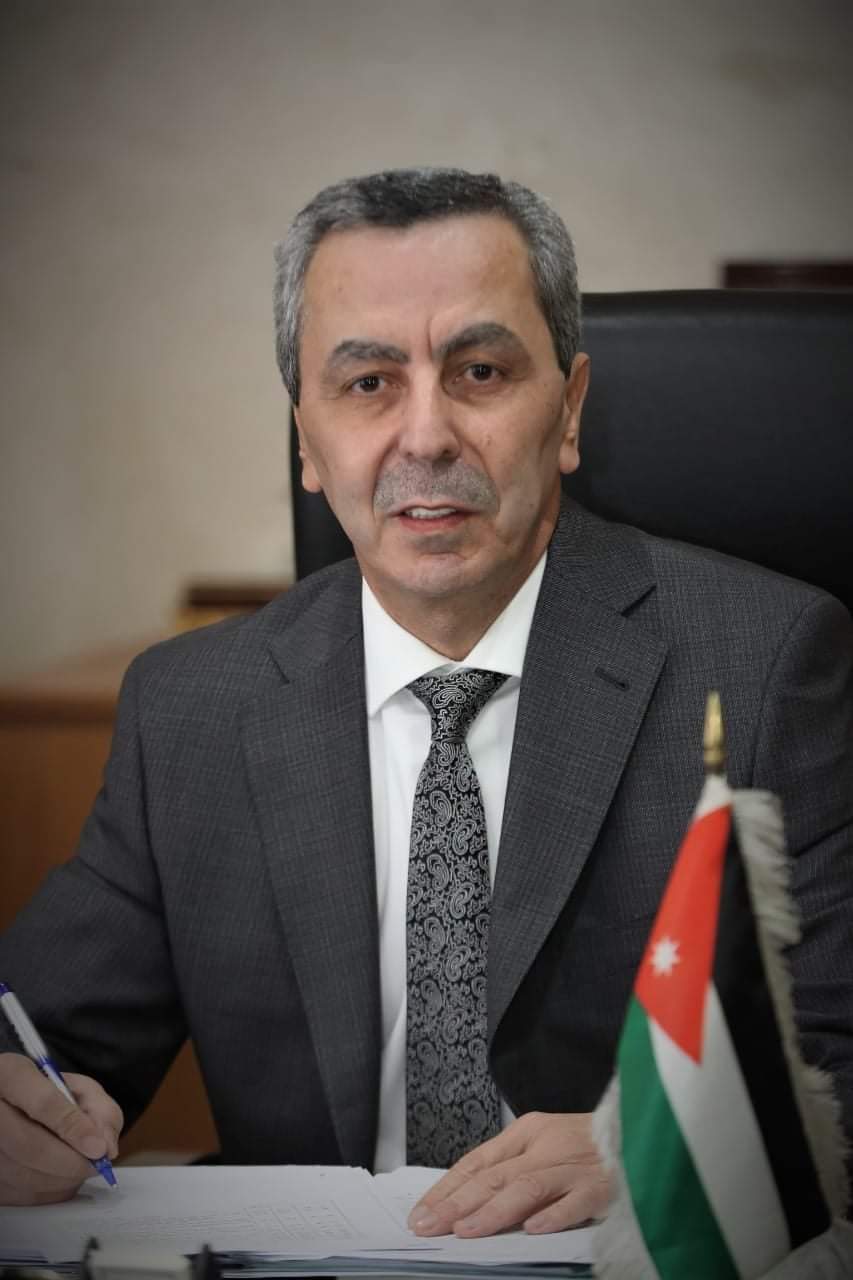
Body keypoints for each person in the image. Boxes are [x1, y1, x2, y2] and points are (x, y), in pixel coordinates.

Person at [1, 169, 851, 1235]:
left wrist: (657, 1143)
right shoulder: (192, 709)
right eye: (367, 382)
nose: (426, 435)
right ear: (306, 440)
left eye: (479, 371)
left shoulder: (765, 666)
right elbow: (41, 1034)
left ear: (569, 409)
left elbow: (840, 1060)